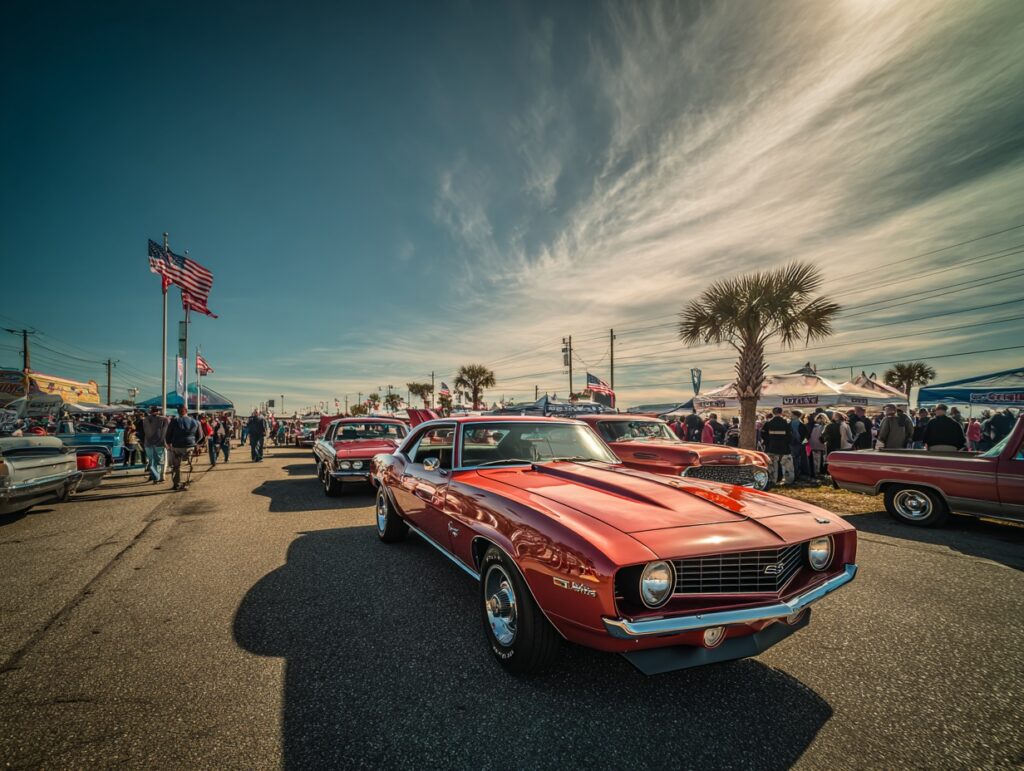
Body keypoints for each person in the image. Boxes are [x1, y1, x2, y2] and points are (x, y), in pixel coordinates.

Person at [165, 406, 202, 490]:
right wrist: (195, 442)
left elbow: (168, 434)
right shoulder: (195, 421)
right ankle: (187, 481)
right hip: (190, 445)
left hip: (177, 446)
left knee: (176, 466)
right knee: (188, 464)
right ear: (186, 411)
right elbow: (200, 435)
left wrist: (168, 443)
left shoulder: (174, 421)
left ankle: (177, 483)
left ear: (178, 412)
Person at [761, 407, 793, 486]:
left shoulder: (768, 423)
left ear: (773, 413)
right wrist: (787, 443)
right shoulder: (786, 422)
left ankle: (772, 480)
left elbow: (763, 434)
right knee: (787, 464)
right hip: (784, 447)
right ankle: (789, 480)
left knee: (772, 465)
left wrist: (768, 443)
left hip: (772, 447)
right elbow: (790, 435)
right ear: (781, 413)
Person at [141, 405, 169, 484]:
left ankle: (155, 477)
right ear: (159, 411)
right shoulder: (164, 419)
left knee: (152, 461)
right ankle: (159, 477)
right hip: (159, 443)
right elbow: (165, 432)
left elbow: (142, 432)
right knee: (160, 461)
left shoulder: (145, 420)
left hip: (148, 443)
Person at [789, 410, 810, 481]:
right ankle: (797, 474)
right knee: (797, 459)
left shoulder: (799, 424)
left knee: (797, 459)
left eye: (791, 414)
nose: (790, 415)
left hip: (796, 444)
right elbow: (807, 436)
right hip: (795, 444)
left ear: (795, 415)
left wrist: (802, 442)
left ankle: (797, 474)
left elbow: (807, 435)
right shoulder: (801, 424)